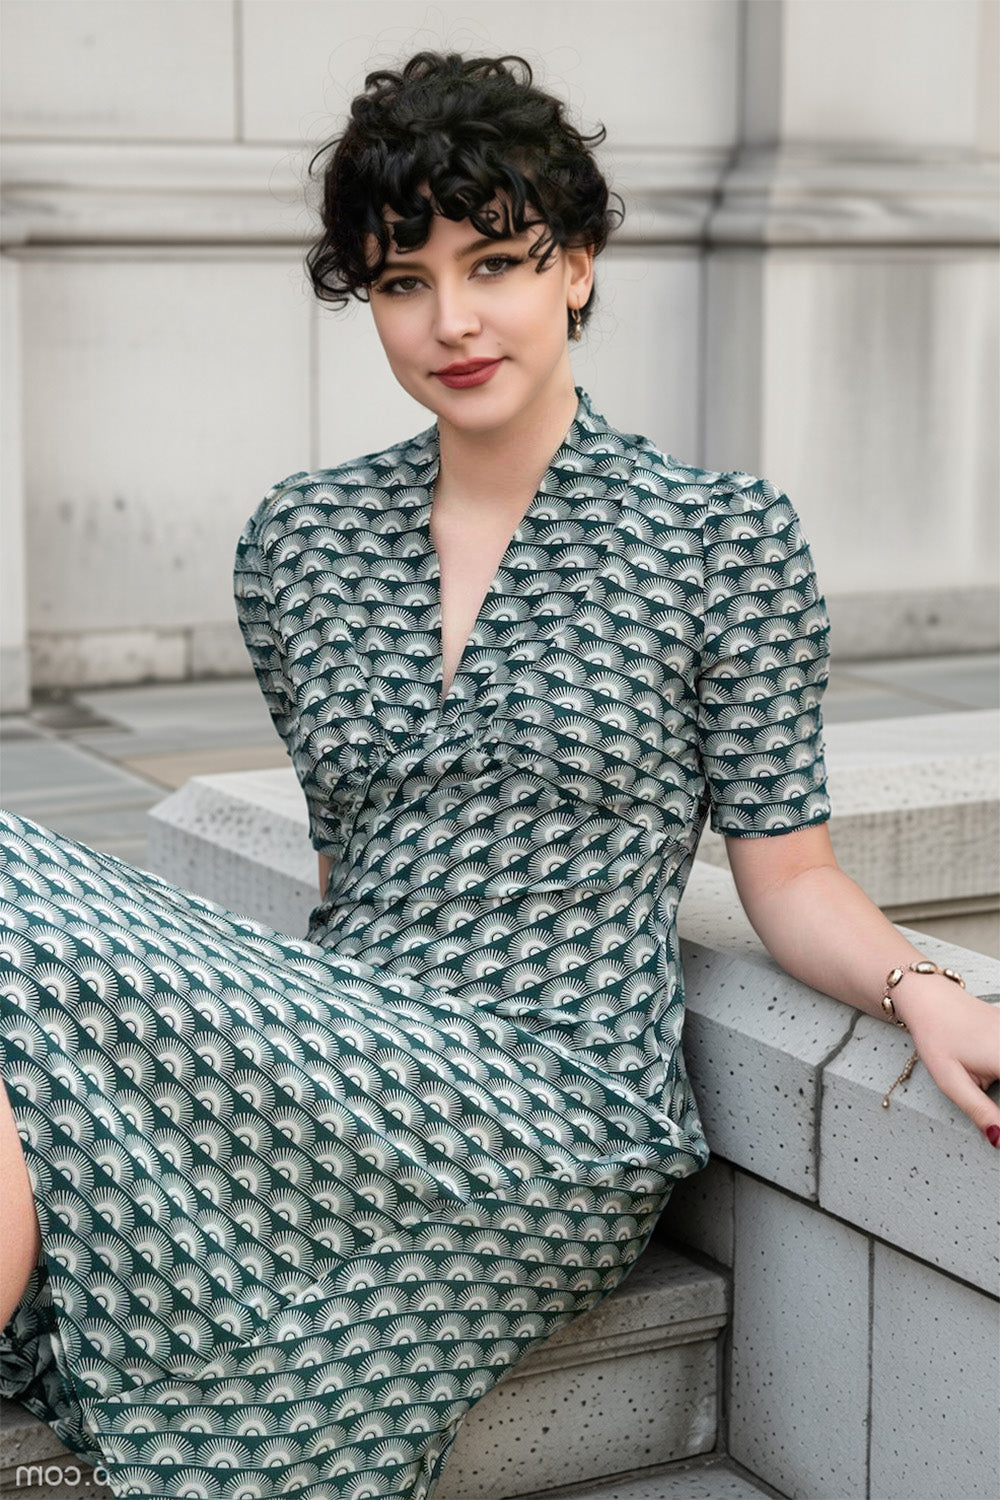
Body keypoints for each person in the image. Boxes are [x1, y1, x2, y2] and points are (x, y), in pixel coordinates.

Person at [1, 49, 997, 1500]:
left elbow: (791, 879)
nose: (452, 320)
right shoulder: (301, 544)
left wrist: (924, 989)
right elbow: (352, 869)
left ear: (578, 269)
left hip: (560, 1097)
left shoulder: (721, 541)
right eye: (404, 281)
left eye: (499, 264)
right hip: (352, 1049)